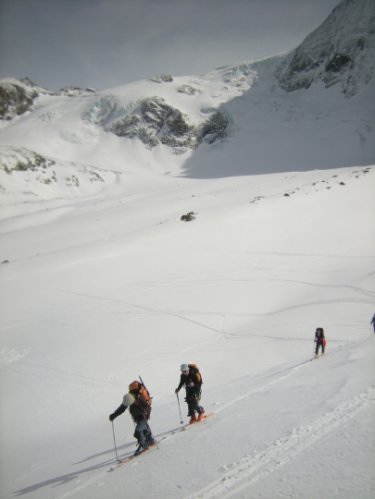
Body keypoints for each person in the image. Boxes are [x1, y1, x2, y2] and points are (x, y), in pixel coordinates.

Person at [109, 380, 155, 455]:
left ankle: (144, 446)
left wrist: (145, 411)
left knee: (138, 431)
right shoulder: (130, 398)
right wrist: (113, 416)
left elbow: (147, 406)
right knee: (144, 430)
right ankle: (150, 441)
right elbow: (122, 408)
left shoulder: (138, 397)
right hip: (138, 416)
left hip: (143, 416)